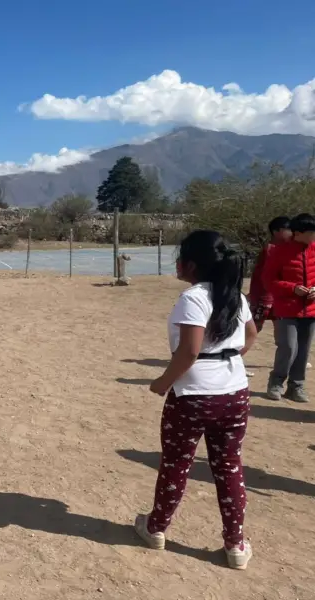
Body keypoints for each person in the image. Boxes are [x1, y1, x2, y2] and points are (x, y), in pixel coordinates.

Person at [134, 230, 256, 570]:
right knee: (229, 466)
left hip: (194, 395)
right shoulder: (235, 295)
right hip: (235, 392)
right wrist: (227, 358)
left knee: (176, 464)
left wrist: (162, 382)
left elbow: (189, 351)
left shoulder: (194, 298)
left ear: (191, 264)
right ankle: (235, 544)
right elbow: (252, 335)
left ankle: (156, 527)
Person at [263, 212, 315, 403]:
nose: (313, 237)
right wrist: (292, 288)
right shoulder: (279, 251)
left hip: (310, 309)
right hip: (287, 308)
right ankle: (276, 382)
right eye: (310, 233)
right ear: (298, 233)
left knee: (303, 349)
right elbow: (269, 280)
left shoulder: (314, 249)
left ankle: (296, 386)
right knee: (288, 347)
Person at [248, 216, 291, 334]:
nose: (291, 232)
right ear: (276, 231)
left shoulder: (284, 250)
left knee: (282, 332)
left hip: (277, 297)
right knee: (253, 329)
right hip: (264, 297)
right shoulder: (270, 250)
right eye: (288, 229)